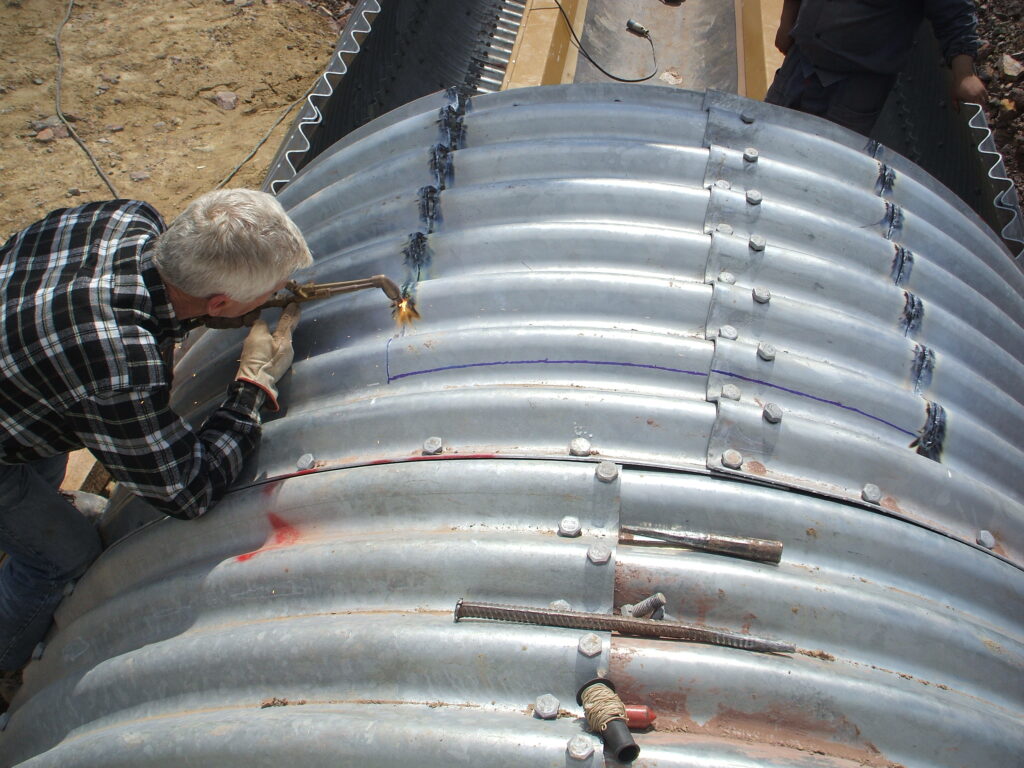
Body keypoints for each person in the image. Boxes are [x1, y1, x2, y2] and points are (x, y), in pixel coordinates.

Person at [0, 188, 312, 709]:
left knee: (43, 462)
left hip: (21, 372)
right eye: (267, 294)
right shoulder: (118, 361)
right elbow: (187, 491)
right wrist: (251, 388)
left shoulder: (126, 217)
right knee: (62, 558)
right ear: (219, 302)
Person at [765, 0, 988, 136]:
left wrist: (963, 75)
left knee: (822, 170)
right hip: (799, 67)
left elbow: (955, 17)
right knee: (764, 141)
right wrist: (787, 22)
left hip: (852, 89)